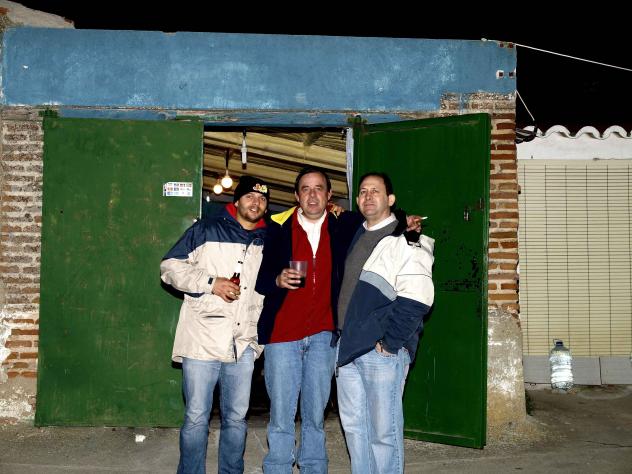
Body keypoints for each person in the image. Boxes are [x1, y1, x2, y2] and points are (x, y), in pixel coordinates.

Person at [255, 167, 363, 473]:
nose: (312, 195)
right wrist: (277, 279)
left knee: (315, 413)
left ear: (329, 195)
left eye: (319, 189)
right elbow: (261, 280)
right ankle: (277, 467)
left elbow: (378, 216)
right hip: (282, 334)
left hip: (323, 334)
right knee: (281, 413)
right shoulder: (278, 229)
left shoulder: (342, 226)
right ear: (296, 196)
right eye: (305, 189)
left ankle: (314, 466)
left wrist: (405, 220)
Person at [160, 176, 270, 474]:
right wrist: (211, 283)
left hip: (243, 342)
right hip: (202, 339)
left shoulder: (269, 238)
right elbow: (169, 267)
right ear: (237, 201)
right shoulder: (206, 229)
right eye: (250, 196)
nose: (256, 203)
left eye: (262, 199)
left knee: (236, 418)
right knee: (197, 417)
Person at [336, 172, 435, 474]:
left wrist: (391, 344)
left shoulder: (407, 239)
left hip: (380, 351)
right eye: (363, 191)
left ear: (390, 199)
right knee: (355, 430)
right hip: (347, 346)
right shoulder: (357, 233)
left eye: (375, 191)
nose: (368, 196)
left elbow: (418, 299)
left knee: (383, 434)